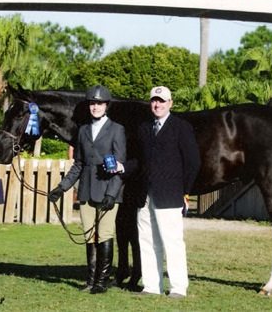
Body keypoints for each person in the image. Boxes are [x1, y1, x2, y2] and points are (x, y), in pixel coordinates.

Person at [48, 85, 126, 294]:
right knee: (88, 236)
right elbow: (78, 165)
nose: (95, 107)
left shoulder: (117, 129)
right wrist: (61, 188)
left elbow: (119, 166)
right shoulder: (82, 130)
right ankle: (90, 279)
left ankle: (102, 280)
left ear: (106, 106)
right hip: (86, 190)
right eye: (93, 103)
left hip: (108, 191)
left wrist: (112, 194)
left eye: (99, 103)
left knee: (105, 234)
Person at [135, 86, 201, 298]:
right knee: (146, 240)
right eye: (154, 100)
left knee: (172, 242)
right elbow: (140, 161)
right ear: (150, 103)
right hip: (145, 195)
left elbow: (193, 162)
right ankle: (152, 286)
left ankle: (178, 288)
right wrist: (121, 166)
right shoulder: (144, 128)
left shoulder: (181, 127)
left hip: (170, 195)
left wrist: (185, 191)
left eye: (162, 101)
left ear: (170, 103)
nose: (158, 104)